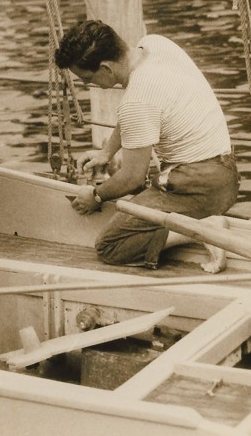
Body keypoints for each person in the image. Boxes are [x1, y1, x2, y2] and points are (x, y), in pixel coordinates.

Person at [54, 20, 239, 273]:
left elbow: (131, 178)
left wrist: (95, 196)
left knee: (110, 246)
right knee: (139, 192)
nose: (88, 85)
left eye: (87, 78)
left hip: (199, 188)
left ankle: (205, 228)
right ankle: (198, 220)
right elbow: (136, 116)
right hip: (225, 172)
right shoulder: (156, 45)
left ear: (106, 68)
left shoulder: (137, 101)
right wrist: (107, 152)